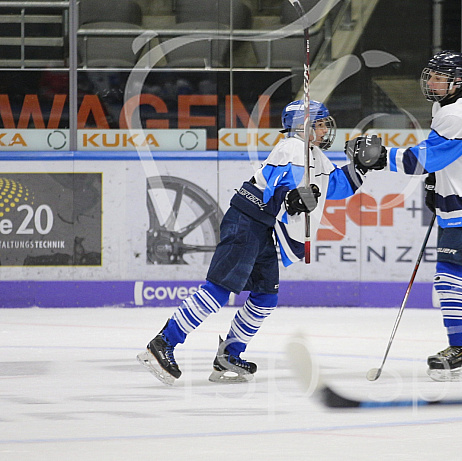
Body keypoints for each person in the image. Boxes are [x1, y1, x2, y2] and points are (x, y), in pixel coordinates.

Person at [137, 100, 386, 385]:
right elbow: (282, 183)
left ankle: (229, 354)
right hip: (245, 222)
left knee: (266, 296)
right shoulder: (291, 147)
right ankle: (162, 344)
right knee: (219, 289)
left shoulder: (313, 155)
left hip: (262, 228)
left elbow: (334, 187)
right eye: (319, 123)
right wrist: (292, 197)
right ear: (302, 127)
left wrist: (361, 167)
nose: (325, 129)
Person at [375, 50, 462, 381]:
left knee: (449, 274)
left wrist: (378, 157)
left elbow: (422, 160)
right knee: (450, 274)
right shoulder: (444, 106)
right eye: (429, 74)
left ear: (457, 82)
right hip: (459, 195)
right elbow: (442, 157)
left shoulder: (458, 114)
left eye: (438, 77)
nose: (430, 82)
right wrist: (437, 181)